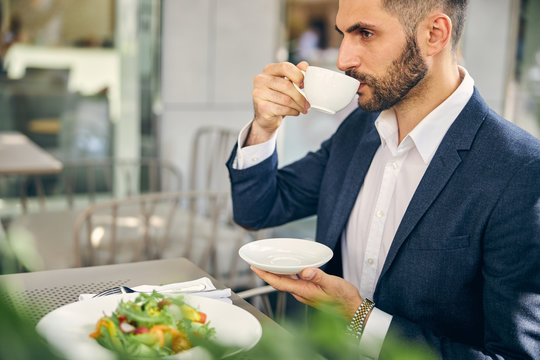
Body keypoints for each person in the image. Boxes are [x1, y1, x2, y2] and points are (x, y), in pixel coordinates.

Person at [226, 0, 540, 358]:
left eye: (365, 33)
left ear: (434, 34)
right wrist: (264, 127)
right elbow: (257, 209)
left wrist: (360, 317)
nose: (343, 59)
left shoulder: (521, 171)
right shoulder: (359, 129)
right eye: (343, 34)